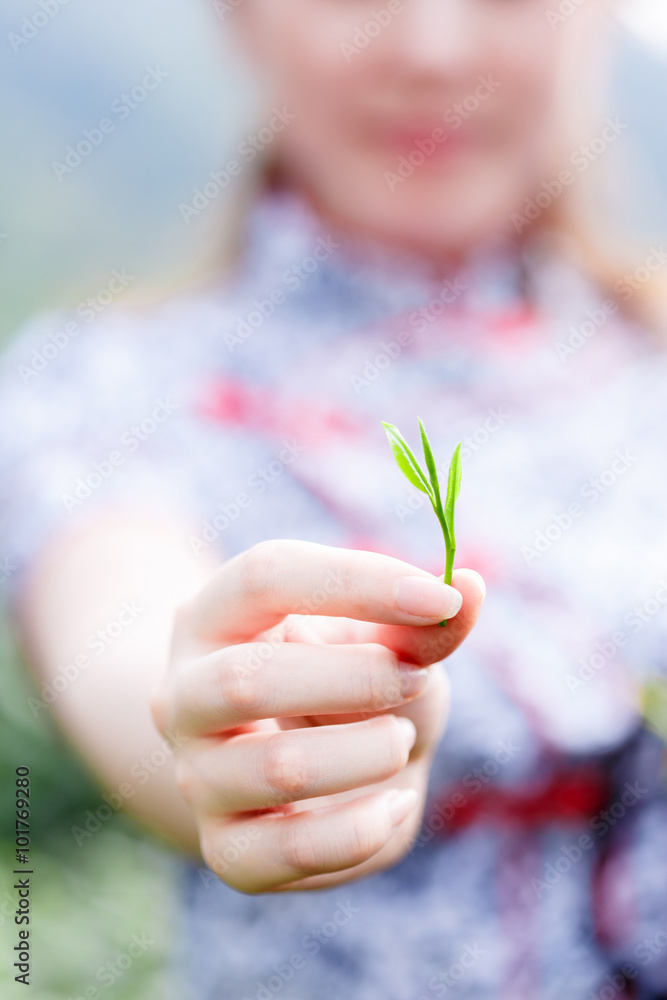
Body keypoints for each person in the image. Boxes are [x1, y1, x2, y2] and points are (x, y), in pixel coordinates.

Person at [1, 0, 667, 997]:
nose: (431, 50)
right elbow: (127, 629)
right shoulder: (111, 391)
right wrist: (230, 721)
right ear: (243, 20)